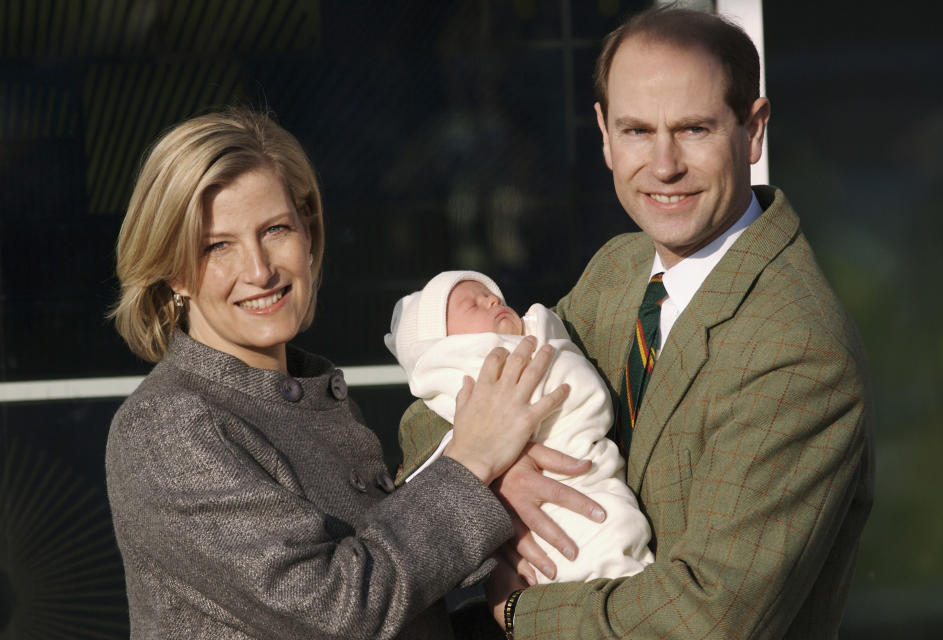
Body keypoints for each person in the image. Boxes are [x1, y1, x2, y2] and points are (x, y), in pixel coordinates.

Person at [398, 7, 875, 638]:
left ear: (753, 130)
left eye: (694, 129)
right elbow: (441, 396)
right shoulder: (619, 270)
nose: (664, 164)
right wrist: (498, 470)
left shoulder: (796, 351)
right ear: (602, 133)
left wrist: (516, 613)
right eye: (636, 131)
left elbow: (706, 619)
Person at [104, 107, 575, 639]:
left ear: (308, 233)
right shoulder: (167, 428)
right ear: (173, 274)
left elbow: (399, 604)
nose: (259, 271)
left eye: (275, 229)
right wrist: (472, 462)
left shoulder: (309, 397)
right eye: (217, 246)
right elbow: (337, 613)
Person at [384, 270, 654, 584]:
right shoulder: (463, 372)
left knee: (617, 533)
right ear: (442, 346)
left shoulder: (544, 332)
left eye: (493, 296)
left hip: (592, 475)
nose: (491, 300)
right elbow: (430, 437)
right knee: (596, 544)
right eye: (473, 305)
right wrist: (487, 475)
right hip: (560, 509)